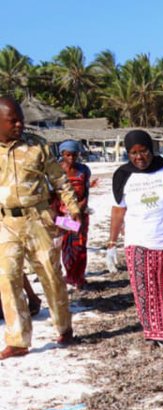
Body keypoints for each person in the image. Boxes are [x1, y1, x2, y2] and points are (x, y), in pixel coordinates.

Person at [0, 96, 79, 359]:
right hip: (6, 223)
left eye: (21, 119)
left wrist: (73, 208)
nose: (20, 124)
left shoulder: (37, 146)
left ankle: (64, 327)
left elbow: (59, 180)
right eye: (13, 121)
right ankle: (18, 340)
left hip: (39, 220)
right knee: (8, 279)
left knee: (51, 275)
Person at [108, 130, 163, 346]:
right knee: (147, 292)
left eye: (143, 151)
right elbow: (118, 211)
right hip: (139, 242)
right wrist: (111, 242)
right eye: (133, 153)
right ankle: (154, 332)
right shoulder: (122, 175)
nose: (139, 157)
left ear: (151, 149)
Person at [57, 140, 92, 290]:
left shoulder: (83, 170)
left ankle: (79, 276)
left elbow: (86, 192)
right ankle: (70, 275)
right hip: (62, 215)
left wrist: (79, 209)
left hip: (81, 214)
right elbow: (53, 195)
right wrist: (63, 213)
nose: (71, 158)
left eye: (74, 154)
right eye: (68, 155)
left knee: (80, 244)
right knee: (67, 245)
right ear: (62, 154)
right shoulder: (56, 171)